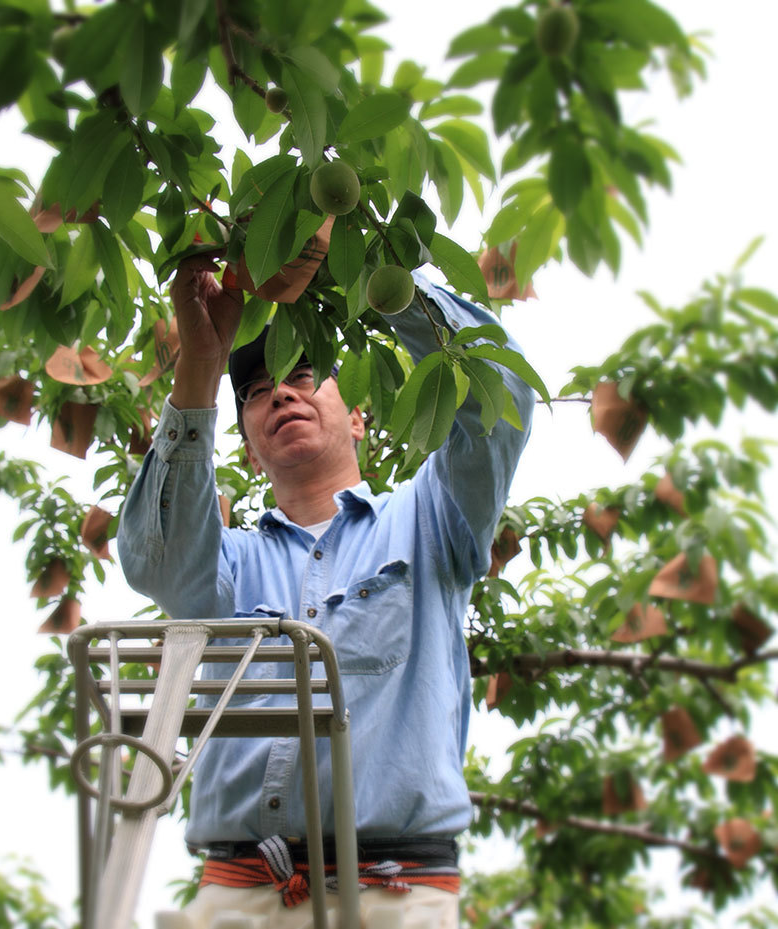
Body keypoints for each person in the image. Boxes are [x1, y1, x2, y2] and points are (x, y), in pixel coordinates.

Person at [117, 254, 534, 928]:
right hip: (239, 898)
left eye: (304, 371)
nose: (280, 390)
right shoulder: (228, 567)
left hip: (394, 898)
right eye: (254, 389)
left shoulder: (429, 521)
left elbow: (502, 391)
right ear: (249, 449)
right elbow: (153, 558)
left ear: (360, 415)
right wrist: (199, 362)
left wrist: (369, 266)